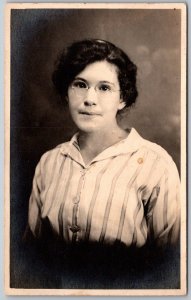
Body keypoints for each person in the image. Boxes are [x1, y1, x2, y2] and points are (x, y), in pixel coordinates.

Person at [24, 39, 180, 288]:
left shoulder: (155, 164)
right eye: (80, 84)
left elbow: (173, 264)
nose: (89, 99)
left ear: (123, 99)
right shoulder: (50, 162)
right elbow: (30, 255)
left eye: (104, 88)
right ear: (67, 92)